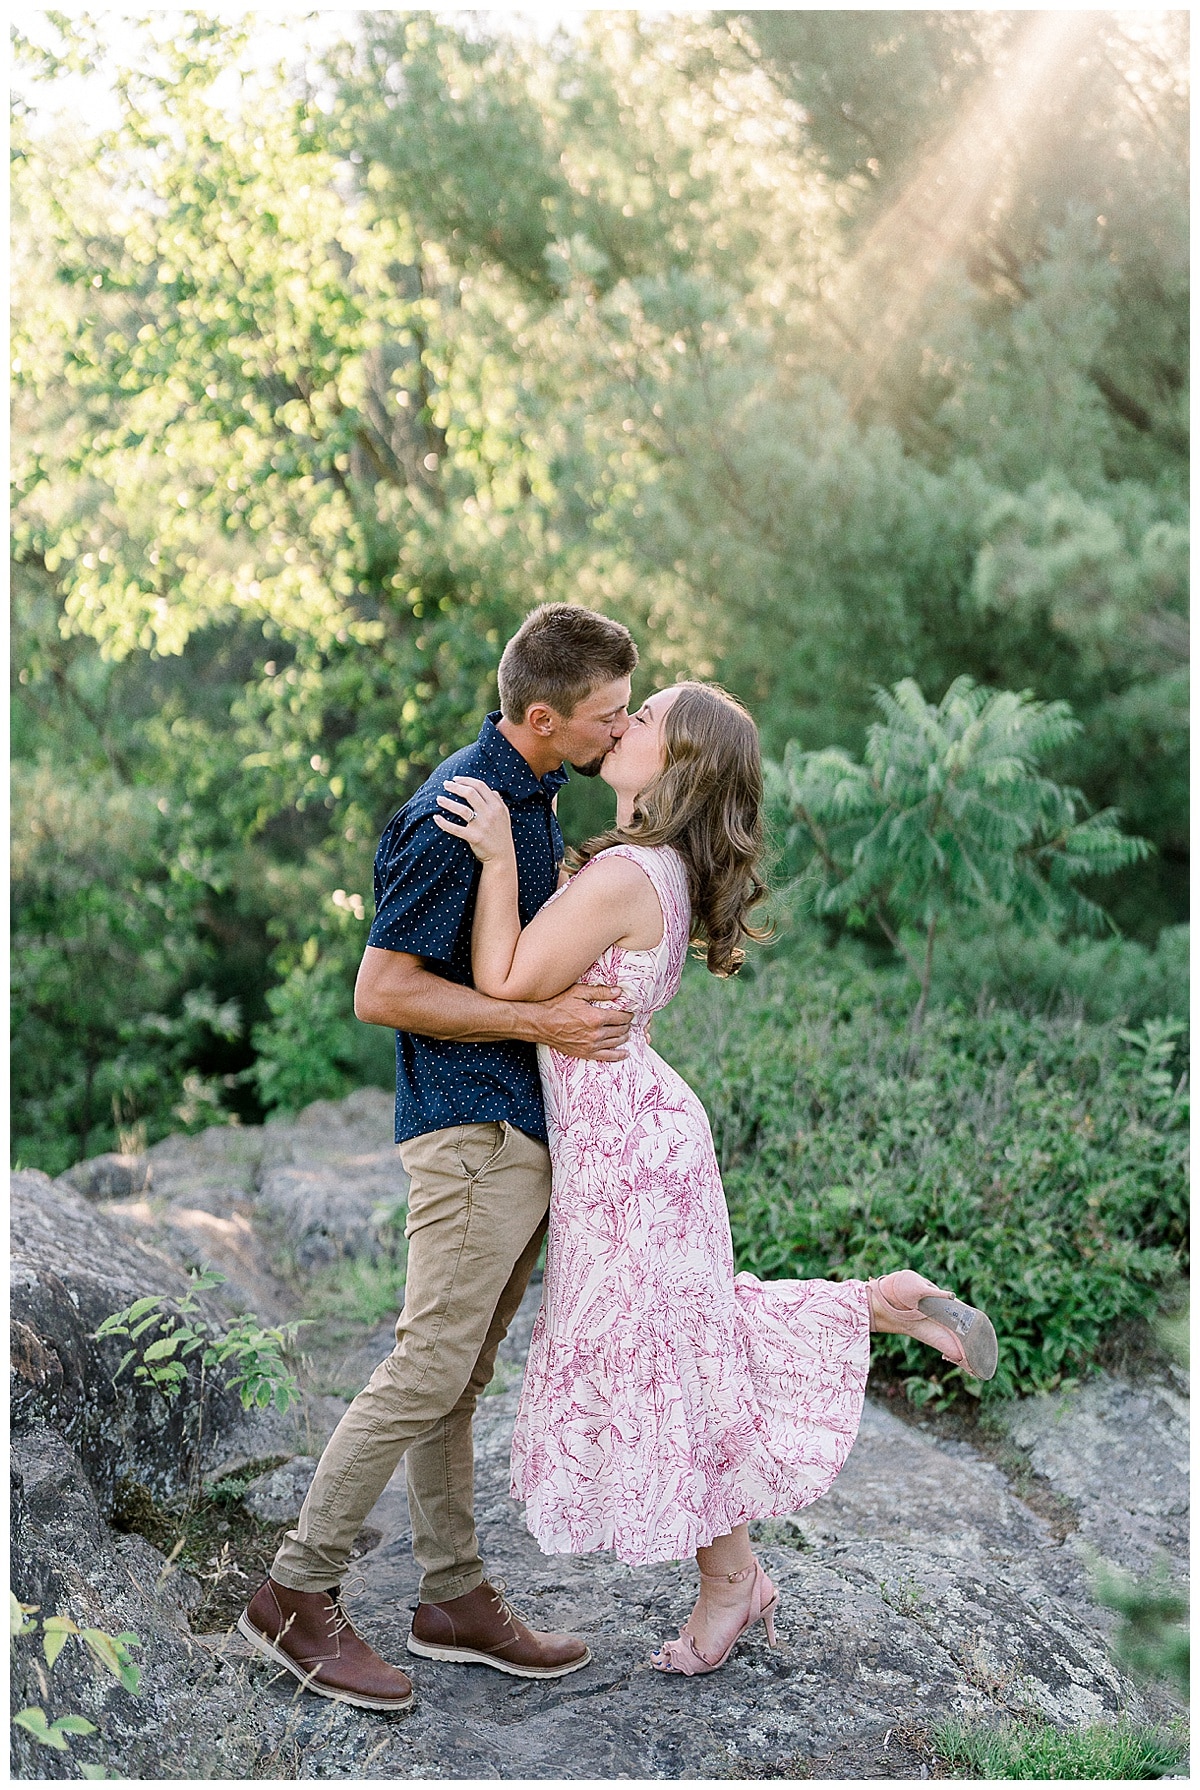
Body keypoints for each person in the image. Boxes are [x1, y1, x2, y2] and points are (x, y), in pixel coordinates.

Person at [434, 679, 998, 1679]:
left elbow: (506, 982)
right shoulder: (649, 867)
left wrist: (491, 860)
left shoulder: (629, 873)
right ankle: (873, 1308)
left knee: (669, 1353)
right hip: (638, 1141)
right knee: (682, 1346)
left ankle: (733, 1576)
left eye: (646, 716)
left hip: (631, 1155)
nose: (626, 721)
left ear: (680, 763)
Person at [239, 604, 640, 1710]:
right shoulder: (452, 812)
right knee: (424, 1368)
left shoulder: (535, 795)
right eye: (608, 716)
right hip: (470, 1135)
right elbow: (381, 990)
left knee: (460, 1376)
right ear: (546, 716)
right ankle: (295, 1592)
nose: (621, 729)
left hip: (520, 1132)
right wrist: (540, 1026)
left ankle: (453, 1595)